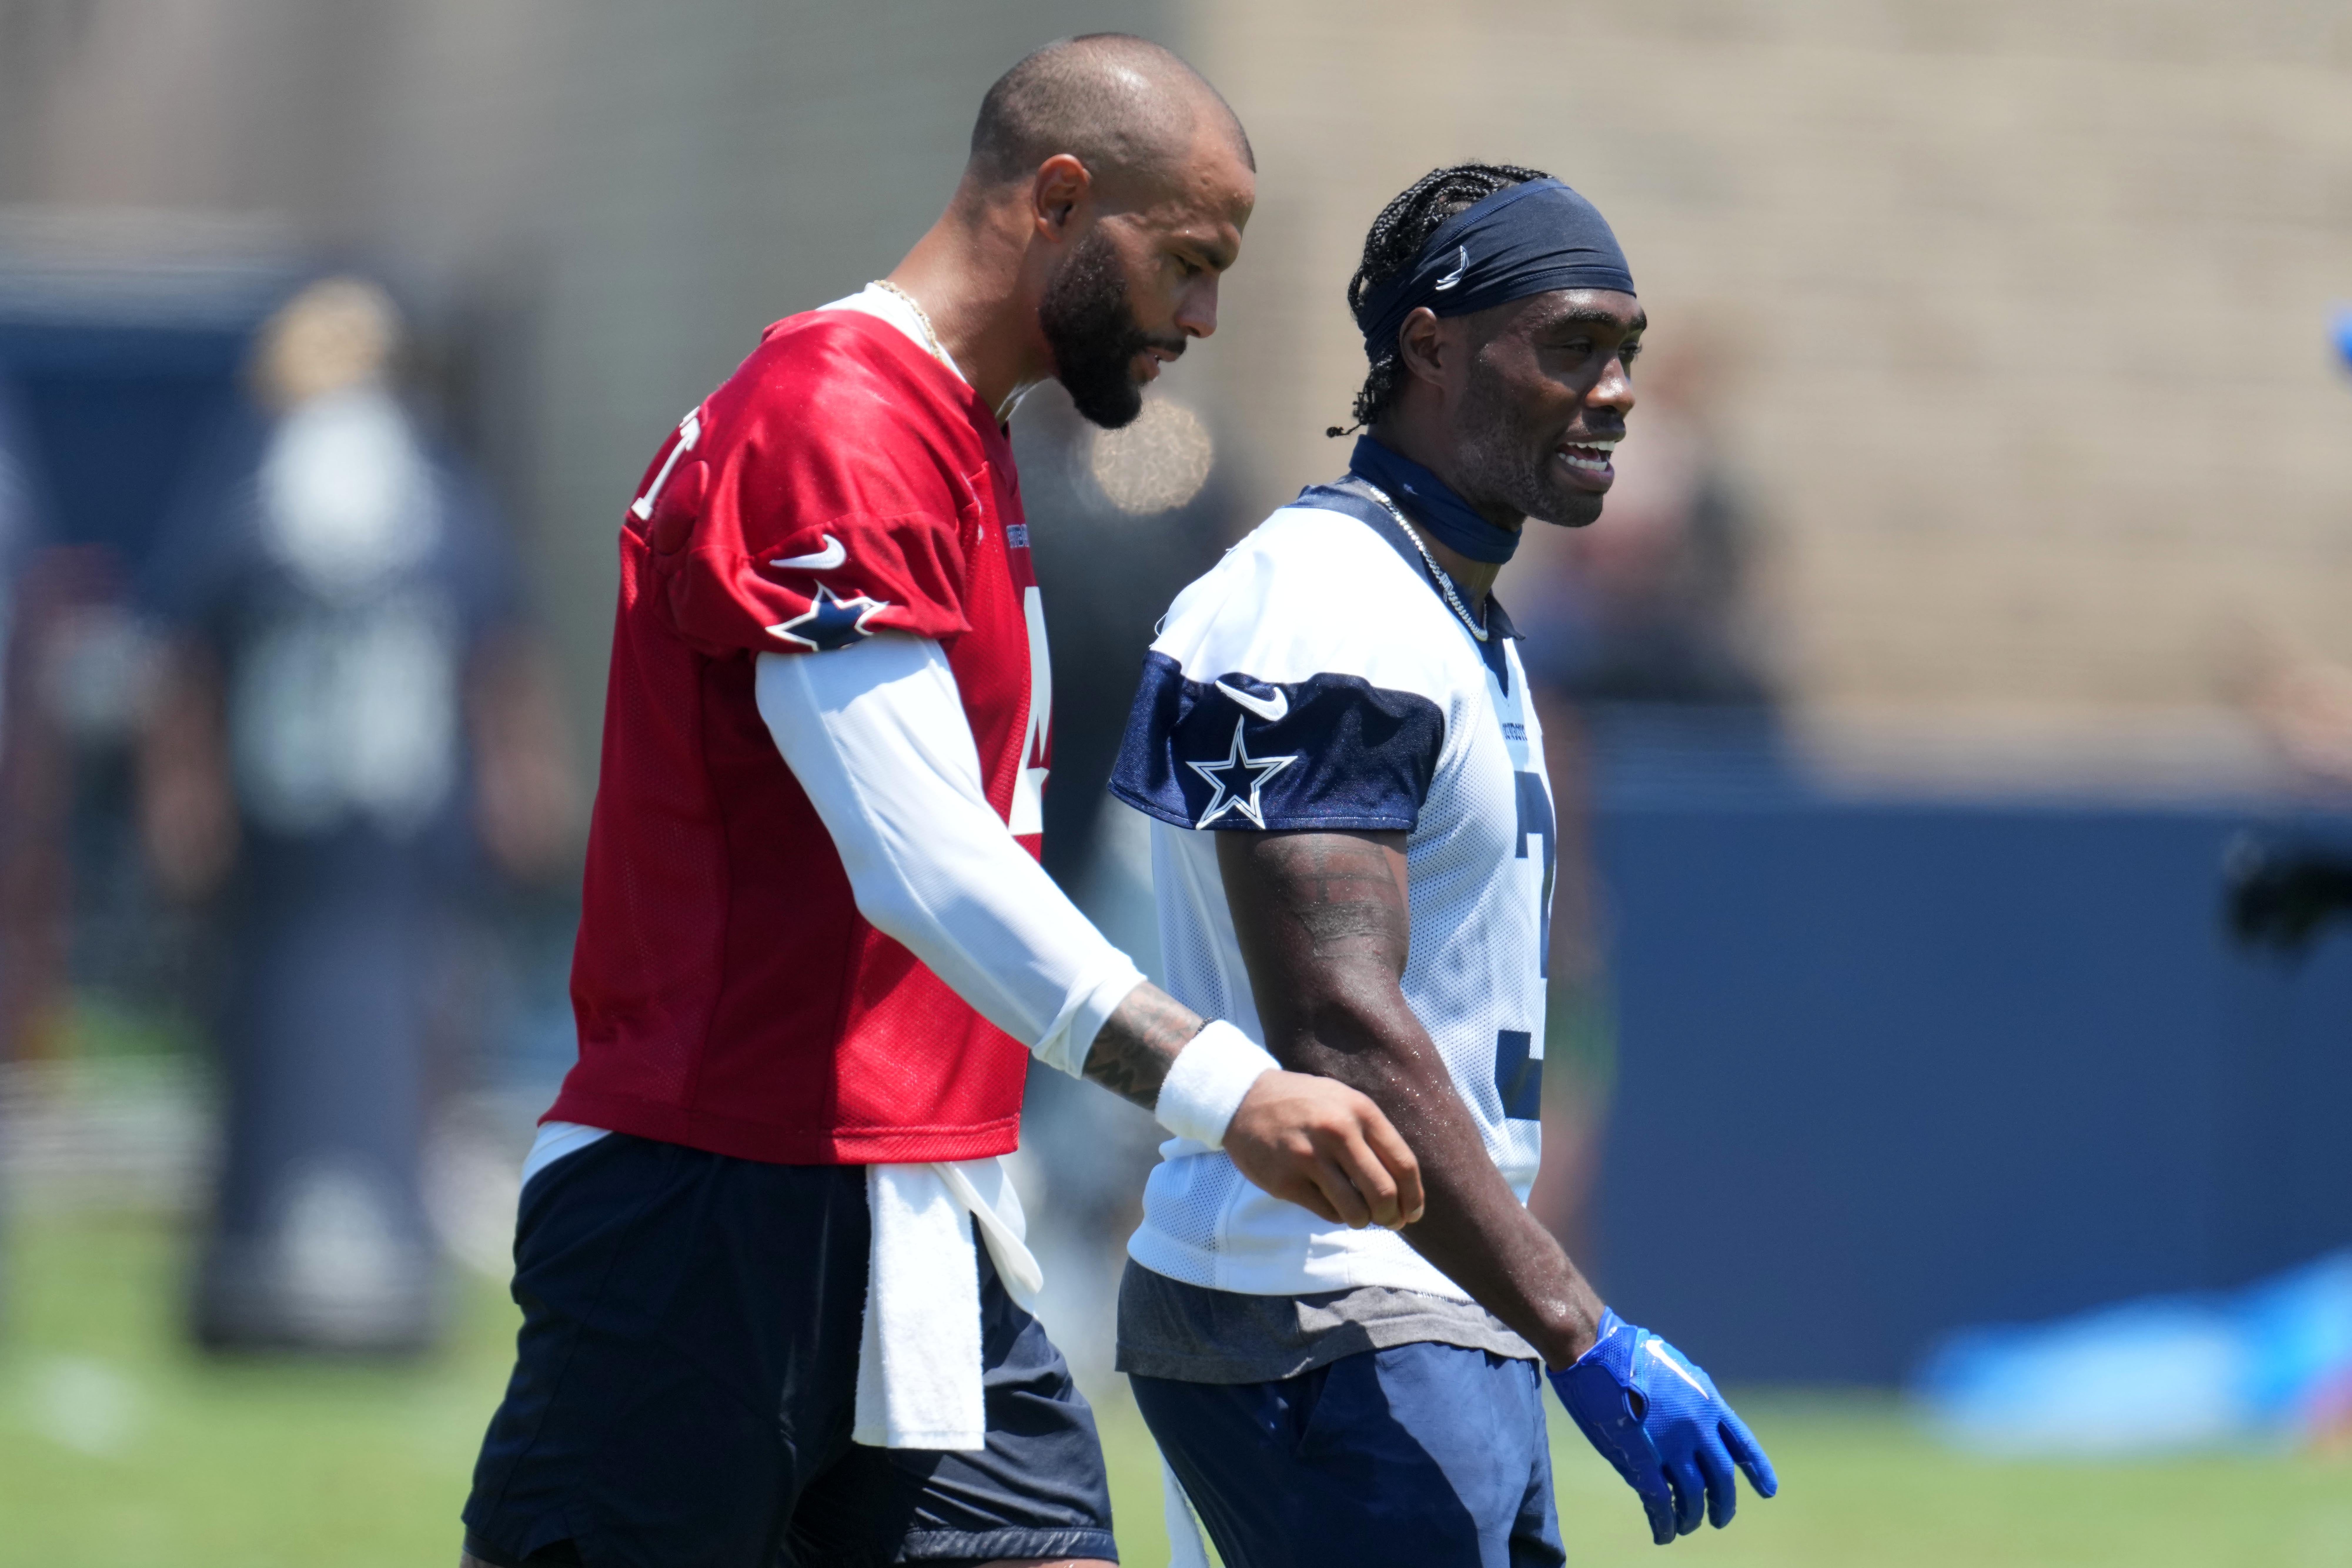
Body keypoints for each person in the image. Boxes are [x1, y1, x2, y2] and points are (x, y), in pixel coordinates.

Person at [459, 35, 1422, 1568]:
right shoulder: (832, 418)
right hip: (714, 1206)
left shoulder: (958, 426)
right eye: (1187, 261)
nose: (1202, 316)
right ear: (1059, 200)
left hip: (920, 1198)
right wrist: (1227, 1088)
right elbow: (918, 858)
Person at [1108, 164, 1776, 1567]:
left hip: (1403, 1303)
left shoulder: (1443, 605)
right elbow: (1340, 1027)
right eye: (1572, 345)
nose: (1614, 391)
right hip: (1330, 1308)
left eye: (1626, 351)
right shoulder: (1328, 606)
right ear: (1430, 346)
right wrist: (1584, 1329)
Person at [138, 275, 570, 1352]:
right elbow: (191, 669)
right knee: (285, 1044)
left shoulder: (338, 500)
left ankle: (374, 1263)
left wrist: (517, 781)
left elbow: (496, 660)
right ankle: (275, 1267)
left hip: (388, 848)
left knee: (405, 1040)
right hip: (298, 852)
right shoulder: (369, 501)